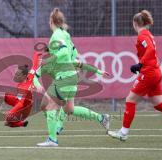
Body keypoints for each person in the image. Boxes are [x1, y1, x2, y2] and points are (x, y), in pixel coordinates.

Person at [36, 8, 110, 147]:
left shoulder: (57, 35)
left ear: (51, 21)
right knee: (69, 110)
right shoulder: (66, 34)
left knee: (46, 105)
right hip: (71, 76)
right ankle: (101, 118)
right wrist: (97, 70)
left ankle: (52, 139)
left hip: (64, 77)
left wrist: (49, 60)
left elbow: (63, 53)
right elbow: (73, 57)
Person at [108, 10, 162, 141]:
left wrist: (140, 64)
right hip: (155, 71)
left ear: (135, 23)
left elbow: (151, 50)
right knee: (158, 104)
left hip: (149, 73)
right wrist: (142, 64)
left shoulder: (142, 35)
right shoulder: (148, 34)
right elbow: (151, 52)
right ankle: (123, 132)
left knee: (130, 100)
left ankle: (123, 133)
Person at [0, 52, 43, 127]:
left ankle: (20, 123)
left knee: (7, 121)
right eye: (15, 74)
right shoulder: (30, 76)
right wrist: (37, 54)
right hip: (19, 101)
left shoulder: (24, 89)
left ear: (24, 76)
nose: (15, 76)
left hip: (24, 110)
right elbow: (34, 66)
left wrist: (11, 113)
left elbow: (20, 104)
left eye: (17, 75)